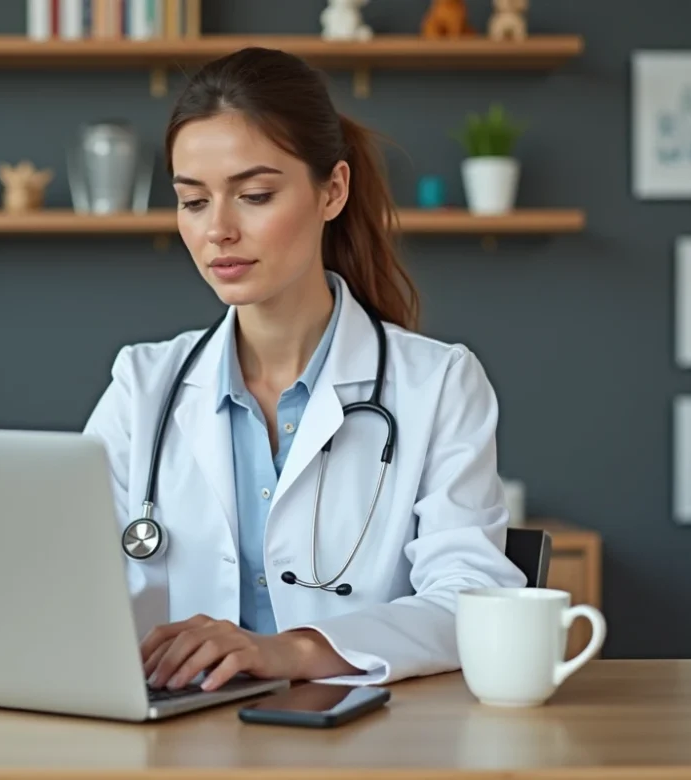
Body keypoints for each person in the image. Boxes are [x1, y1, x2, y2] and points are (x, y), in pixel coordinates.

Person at [82, 46, 526, 694]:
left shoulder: (438, 385)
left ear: (333, 190)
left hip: (368, 743)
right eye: (193, 201)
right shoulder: (142, 387)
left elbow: (472, 597)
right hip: (179, 744)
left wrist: (293, 652)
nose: (218, 231)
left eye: (254, 195)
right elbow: (61, 580)